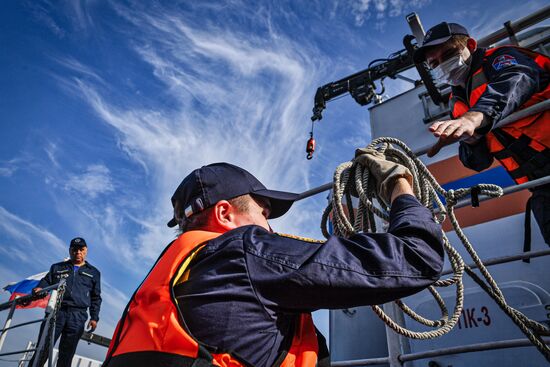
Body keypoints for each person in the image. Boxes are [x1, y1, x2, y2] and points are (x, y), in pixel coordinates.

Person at [104, 158, 445, 367]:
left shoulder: (175, 273)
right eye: (263, 213)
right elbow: (416, 257)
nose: (270, 226)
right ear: (225, 213)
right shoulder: (245, 252)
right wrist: (399, 185)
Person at [413, 22, 550, 244]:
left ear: (471, 45)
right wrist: (471, 141)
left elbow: (516, 80)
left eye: (448, 54)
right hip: (541, 187)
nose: (443, 66)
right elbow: (478, 163)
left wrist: (474, 118)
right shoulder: (457, 102)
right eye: (435, 63)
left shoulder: (501, 59)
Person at [29, 237, 102, 367]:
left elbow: (96, 297)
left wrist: (94, 317)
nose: (78, 252)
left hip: (77, 316)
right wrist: (40, 287)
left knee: (66, 354)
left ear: (86, 251)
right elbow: (46, 281)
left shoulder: (94, 272)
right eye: (75, 249)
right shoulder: (57, 267)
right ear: (70, 250)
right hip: (56, 312)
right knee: (42, 349)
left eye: (81, 249)